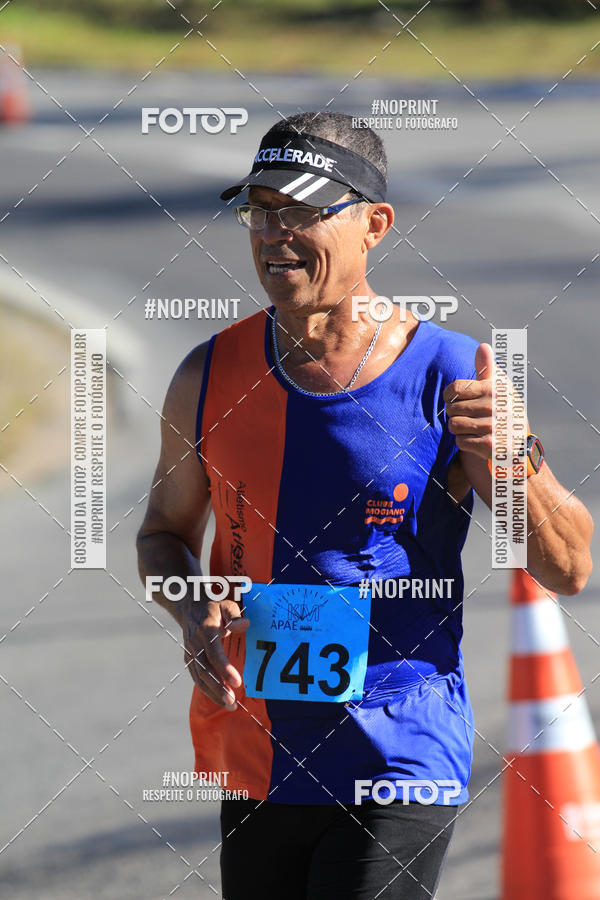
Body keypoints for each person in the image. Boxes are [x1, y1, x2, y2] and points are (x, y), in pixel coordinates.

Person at [136, 111, 593, 899]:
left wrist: (516, 459)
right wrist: (190, 608)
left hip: (399, 757)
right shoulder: (206, 374)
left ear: (374, 224)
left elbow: (570, 567)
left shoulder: (453, 373)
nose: (275, 233)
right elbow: (164, 532)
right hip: (256, 752)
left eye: (304, 210)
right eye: (261, 209)